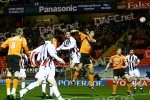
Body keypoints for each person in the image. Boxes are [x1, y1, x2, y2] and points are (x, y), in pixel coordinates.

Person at [20, 33, 65, 100]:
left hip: (47, 66)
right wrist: (60, 60)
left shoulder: (43, 46)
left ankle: (60, 98)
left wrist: (33, 62)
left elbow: (33, 52)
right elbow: (52, 53)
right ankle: (23, 91)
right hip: (46, 66)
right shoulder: (50, 45)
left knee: (53, 82)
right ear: (51, 39)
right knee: (39, 82)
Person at [0, 28, 30, 99]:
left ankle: (8, 92)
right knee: (16, 74)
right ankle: (13, 92)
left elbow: (2, 46)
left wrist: (1, 49)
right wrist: (28, 53)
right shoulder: (22, 39)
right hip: (16, 56)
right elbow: (25, 46)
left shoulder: (10, 39)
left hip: (9, 56)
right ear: (21, 33)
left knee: (9, 74)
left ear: (15, 33)